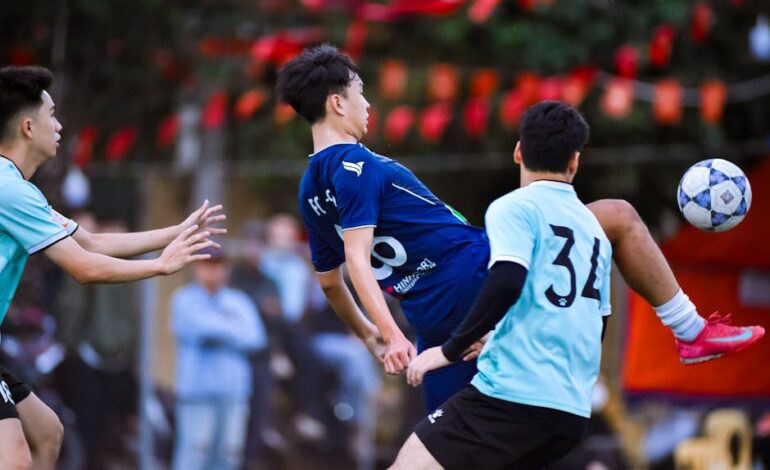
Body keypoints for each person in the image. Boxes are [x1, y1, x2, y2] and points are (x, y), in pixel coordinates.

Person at [275, 45, 764, 412]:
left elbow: (329, 281)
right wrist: (389, 334)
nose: (367, 105)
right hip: (477, 272)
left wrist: (371, 337)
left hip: (432, 319)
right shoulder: (355, 165)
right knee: (617, 216)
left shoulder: (309, 187)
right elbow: (357, 259)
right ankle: (689, 330)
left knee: (455, 445)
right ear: (338, 103)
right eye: (361, 93)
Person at [391, 102, 750, 469]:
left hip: (513, 398)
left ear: (518, 152)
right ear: (575, 162)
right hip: (569, 414)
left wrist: (449, 350)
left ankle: (691, 329)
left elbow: (507, 280)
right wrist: (499, 339)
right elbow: (596, 320)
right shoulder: (592, 227)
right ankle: (691, 328)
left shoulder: (513, 207)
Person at [0, 65, 226, 470]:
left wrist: (178, 231)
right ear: (28, 127)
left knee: (47, 433)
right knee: (15, 457)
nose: (60, 125)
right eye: (52, 114)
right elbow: (85, 267)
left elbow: (91, 241)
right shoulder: (8, 189)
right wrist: (160, 267)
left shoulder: (19, 190)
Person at [170, 245, 267, 470]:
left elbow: (255, 339)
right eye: (207, 264)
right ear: (196, 267)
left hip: (233, 393)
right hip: (197, 394)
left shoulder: (239, 301)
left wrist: (216, 326)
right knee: (194, 454)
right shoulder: (184, 299)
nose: (213, 271)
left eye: (218, 265)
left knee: (228, 456)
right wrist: (230, 326)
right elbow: (199, 330)